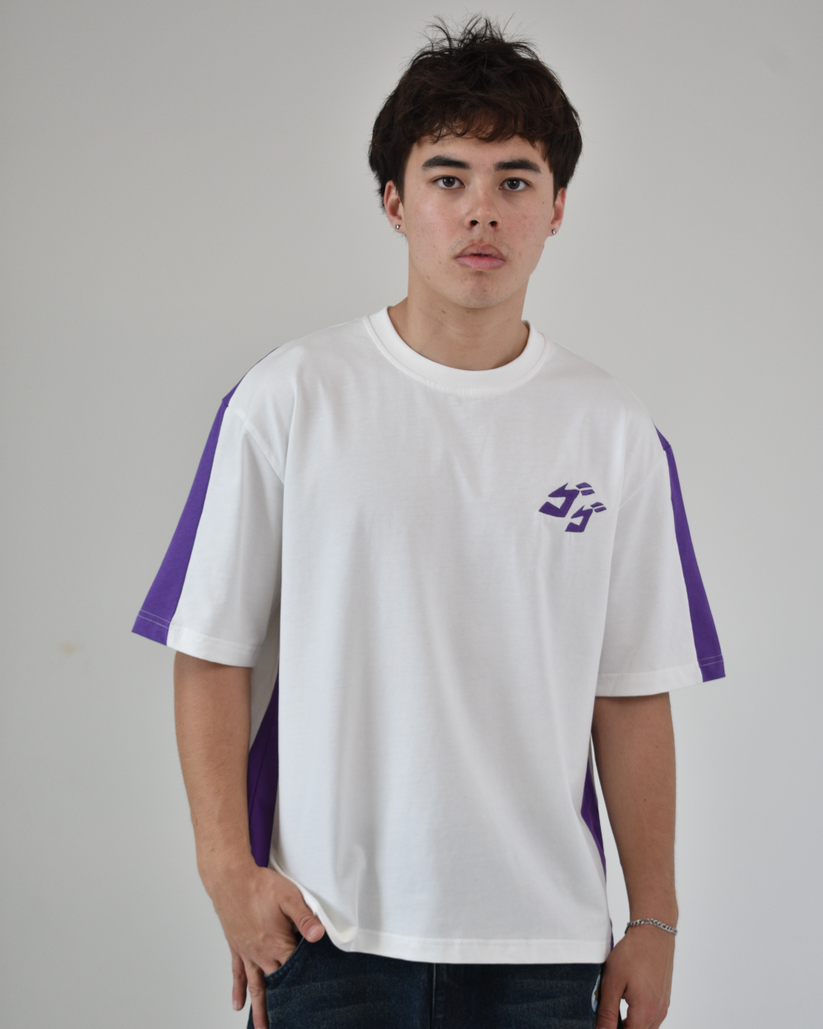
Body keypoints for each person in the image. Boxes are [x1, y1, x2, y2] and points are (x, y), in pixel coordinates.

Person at [133, 17, 724, 1029]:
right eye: (448, 178)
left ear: (557, 207)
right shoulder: (291, 397)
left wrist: (654, 918)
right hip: (330, 929)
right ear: (395, 202)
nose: (481, 209)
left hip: (543, 945)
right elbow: (209, 647)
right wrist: (226, 870)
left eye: (514, 179)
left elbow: (629, 692)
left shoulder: (613, 430)